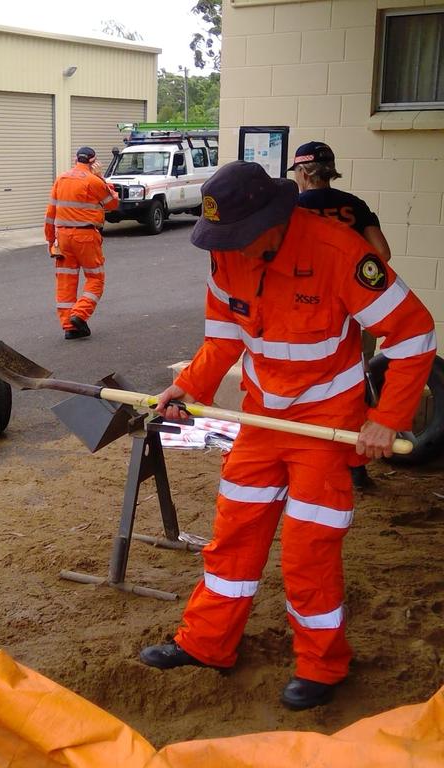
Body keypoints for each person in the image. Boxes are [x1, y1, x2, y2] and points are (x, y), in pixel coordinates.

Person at [138, 161, 436, 711]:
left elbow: (414, 331)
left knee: (308, 550)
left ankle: (323, 665)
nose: (230, 250)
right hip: (261, 420)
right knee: (233, 534)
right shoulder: (227, 250)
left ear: (275, 220)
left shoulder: (339, 252)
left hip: (324, 426)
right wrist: (187, 386)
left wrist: (386, 418)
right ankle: (207, 644)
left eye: (238, 238)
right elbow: (224, 337)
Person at [289, 140, 392, 489]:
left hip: (305, 311)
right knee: (354, 380)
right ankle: (356, 466)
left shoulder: (294, 207)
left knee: (305, 383)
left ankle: (309, 457)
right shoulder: (355, 205)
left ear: (303, 173)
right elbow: (382, 254)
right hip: (356, 308)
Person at [43, 146, 119, 340]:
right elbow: (112, 203)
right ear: (93, 162)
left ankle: (69, 327)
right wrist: (101, 176)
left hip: (63, 238)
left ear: (76, 159)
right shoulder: (94, 181)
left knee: (66, 282)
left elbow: (50, 214)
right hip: (86, 237)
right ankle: (79, 314)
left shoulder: (61, 179)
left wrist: (51, 241)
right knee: (95, 278)